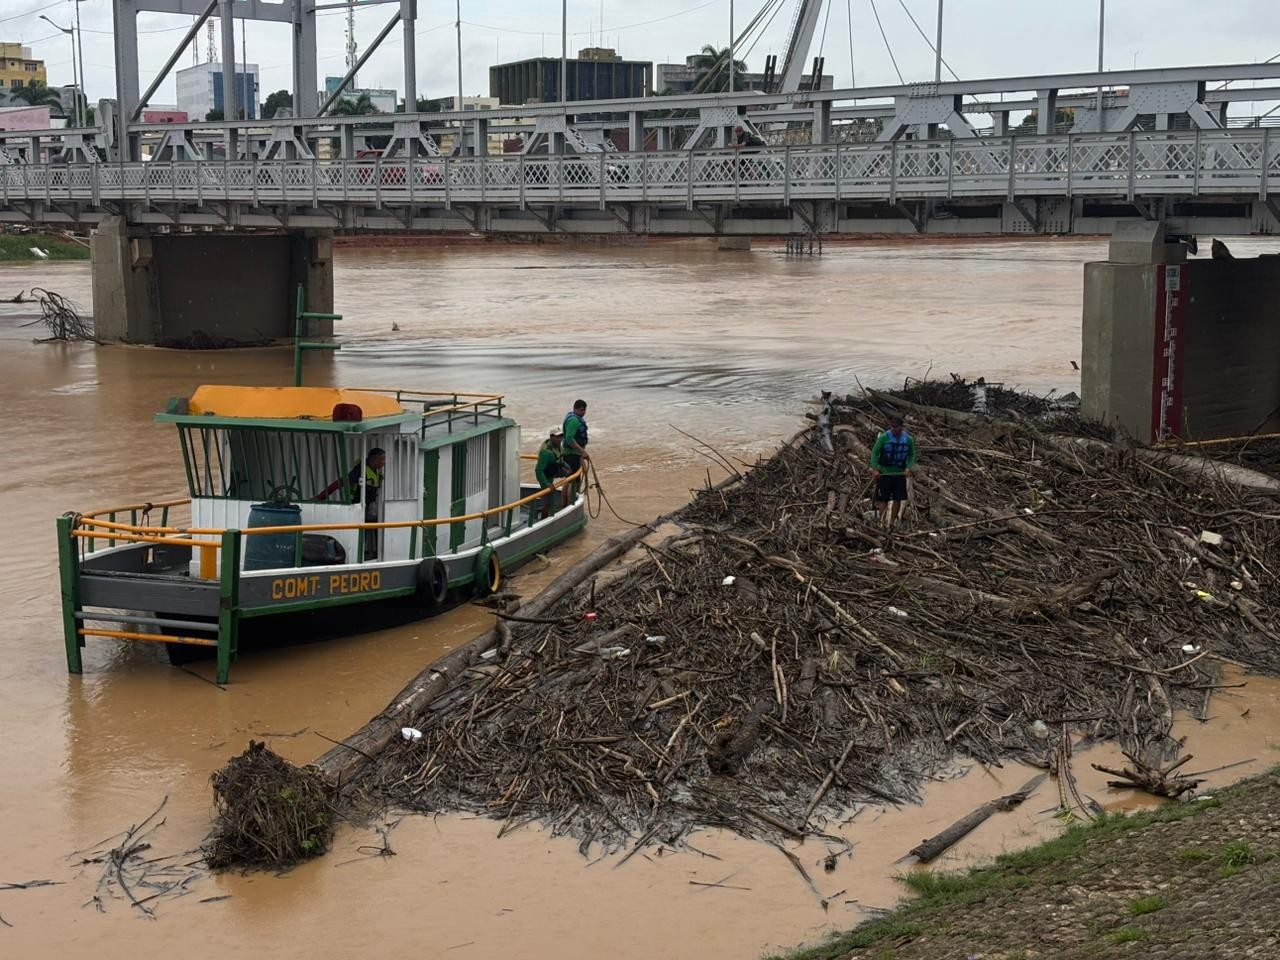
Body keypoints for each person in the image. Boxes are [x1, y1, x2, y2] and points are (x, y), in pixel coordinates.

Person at [869, 416, 916, 528]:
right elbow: (875, 453)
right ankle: (881, 521)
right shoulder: (884, 437)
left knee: (898, 498)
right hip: (885, 473)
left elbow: (912, 454)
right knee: (883, 498)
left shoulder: (908, 439)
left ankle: (892, 522)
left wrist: (908, 467)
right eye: (892, 427)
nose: (893, 429)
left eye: (896, 427)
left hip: (899, 473)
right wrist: (875, 469)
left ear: (901, 427)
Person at [535, 426, 566, 520]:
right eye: (557, 436)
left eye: (561, 436)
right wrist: (546, 484)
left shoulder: (557, 446)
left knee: (550, 500)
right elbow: (538, 470)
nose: (560, 439)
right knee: (547, 502)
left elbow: (559, 458)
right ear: (551, 437)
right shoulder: (546, 452)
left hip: (552, 471)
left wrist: (566, 465)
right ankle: (543, 520)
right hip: (546, 476)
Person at [562, 399, 590, 495]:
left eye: (584, 410)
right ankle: (571, 503)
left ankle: (566, 503)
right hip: (571, 455)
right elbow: (569, 439)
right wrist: (582, 451)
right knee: (574, 482)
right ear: (575, 409)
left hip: (573, 454)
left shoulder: (574, 418)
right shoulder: (573, 421)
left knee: (569, 480)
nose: (583, 412)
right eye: (581, 410)